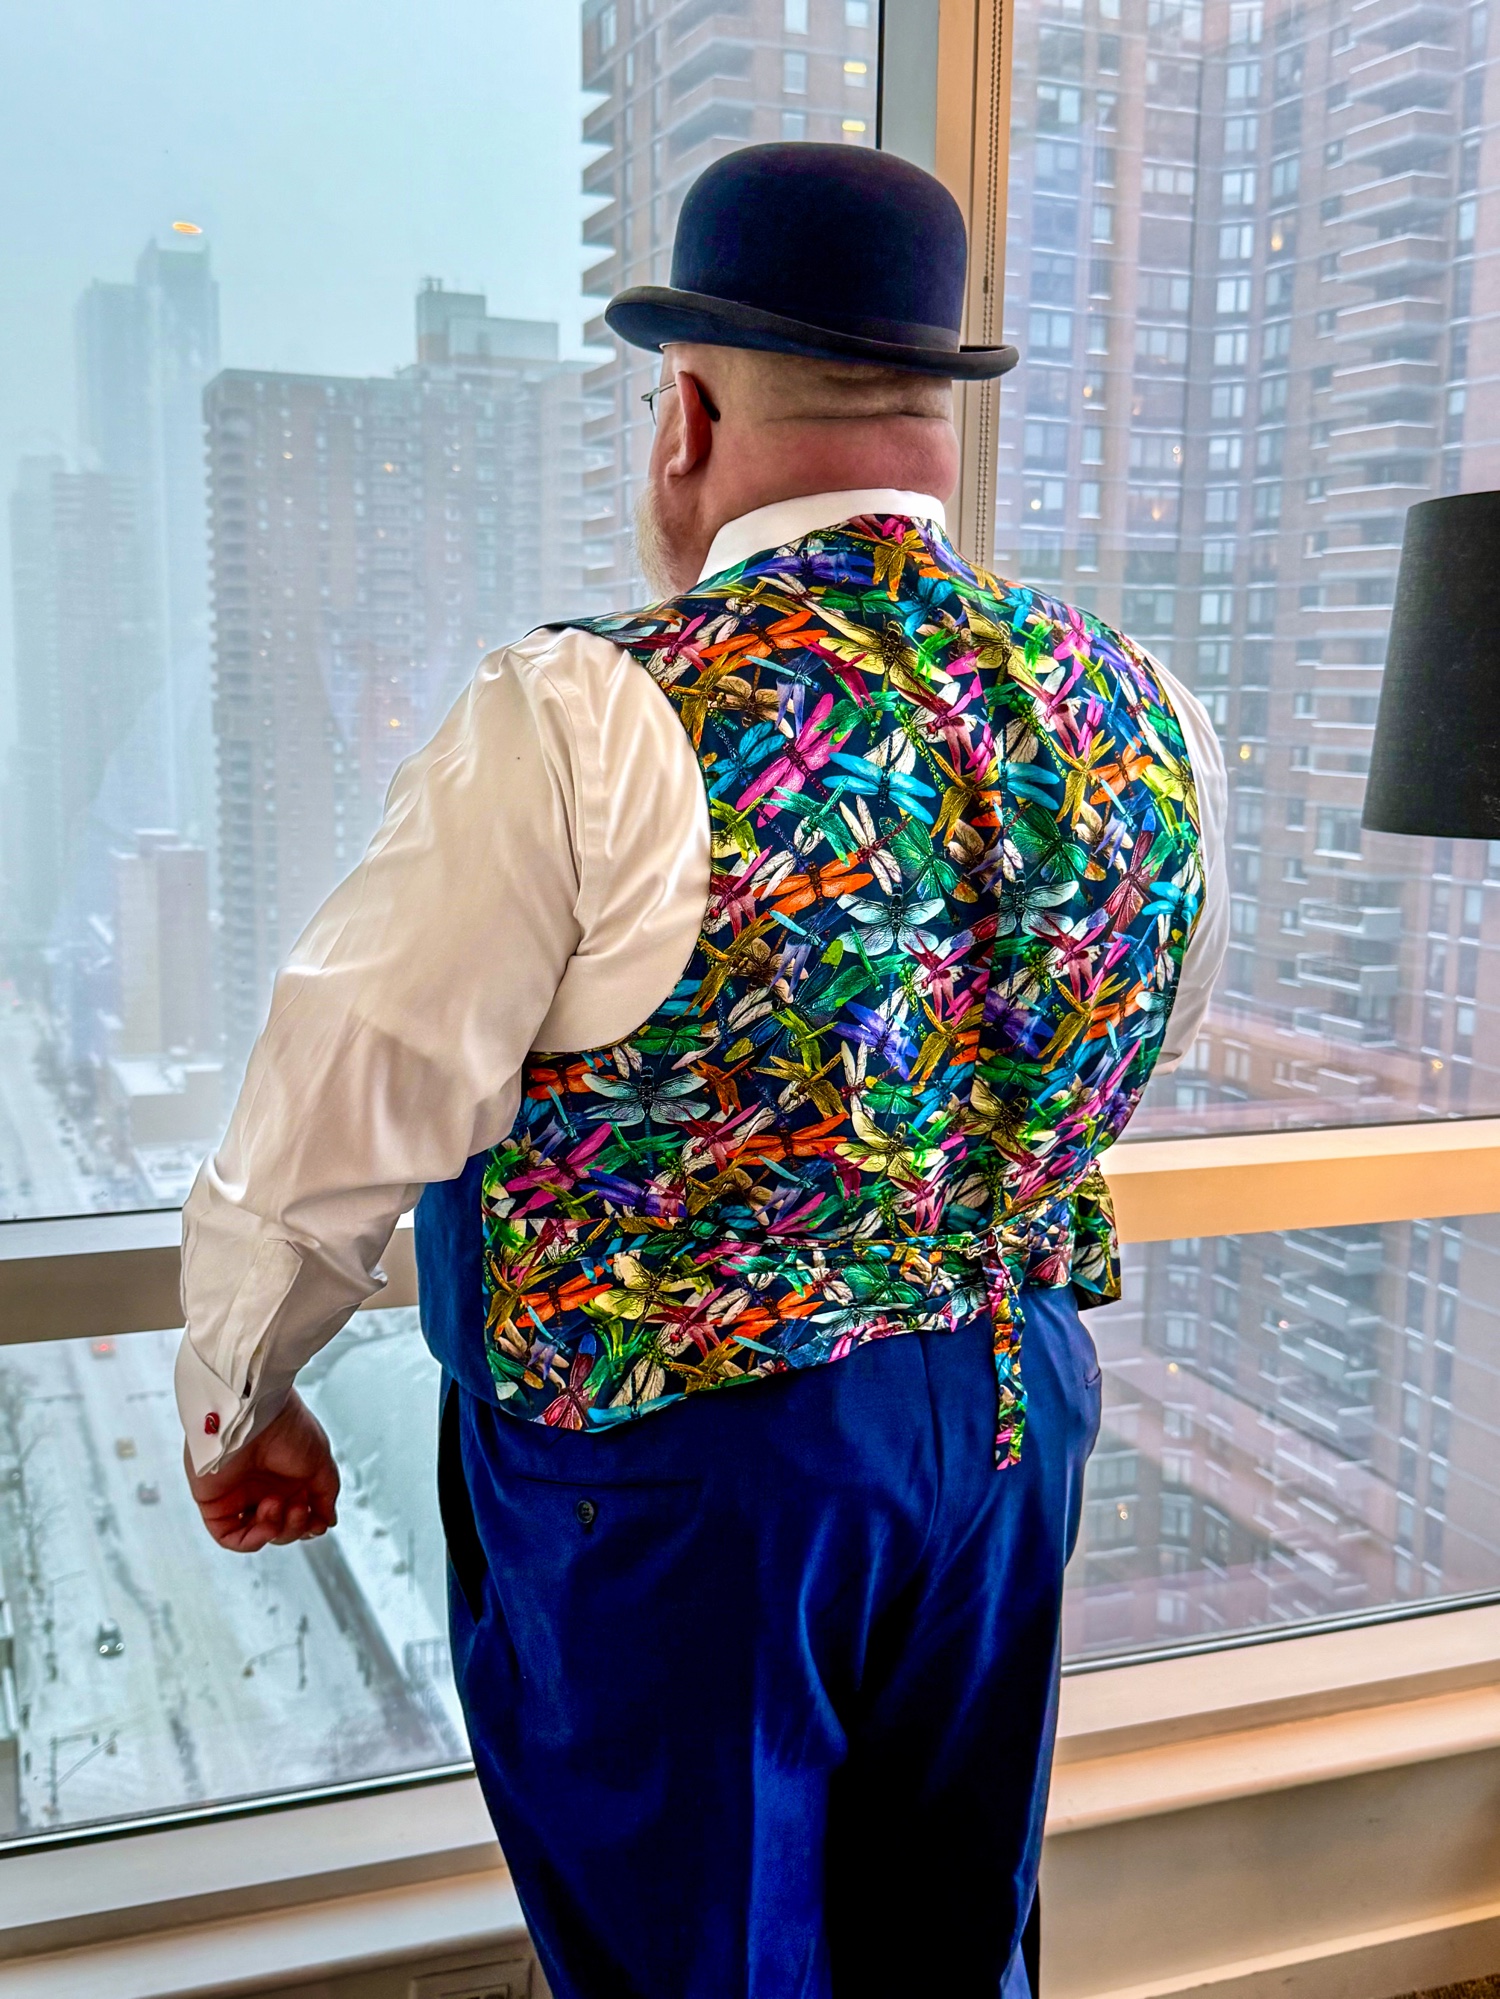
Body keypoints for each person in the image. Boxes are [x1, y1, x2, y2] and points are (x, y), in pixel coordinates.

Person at [178, 143, 1228, 1998]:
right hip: (1007, 1425)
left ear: (686, 418)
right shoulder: (1144, 707)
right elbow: (1127, 1037)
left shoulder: (587, 709)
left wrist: (239, 1389)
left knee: (699, 1964)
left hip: (687, 1473)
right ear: (938, 425)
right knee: (951, 1938)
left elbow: (342, 1091)